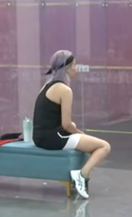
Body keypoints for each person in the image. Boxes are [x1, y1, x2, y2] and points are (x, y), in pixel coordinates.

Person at [32, 50, 111, 199]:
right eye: (74, 65)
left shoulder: (47, 86)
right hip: (52, 138)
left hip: (40, 137)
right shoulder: (64, 90)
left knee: (82, 137)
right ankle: (82, 175)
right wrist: (80, 133)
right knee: (104, 146)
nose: (76, 69)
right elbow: (66, 125)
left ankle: (81, 174)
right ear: (67, 68)